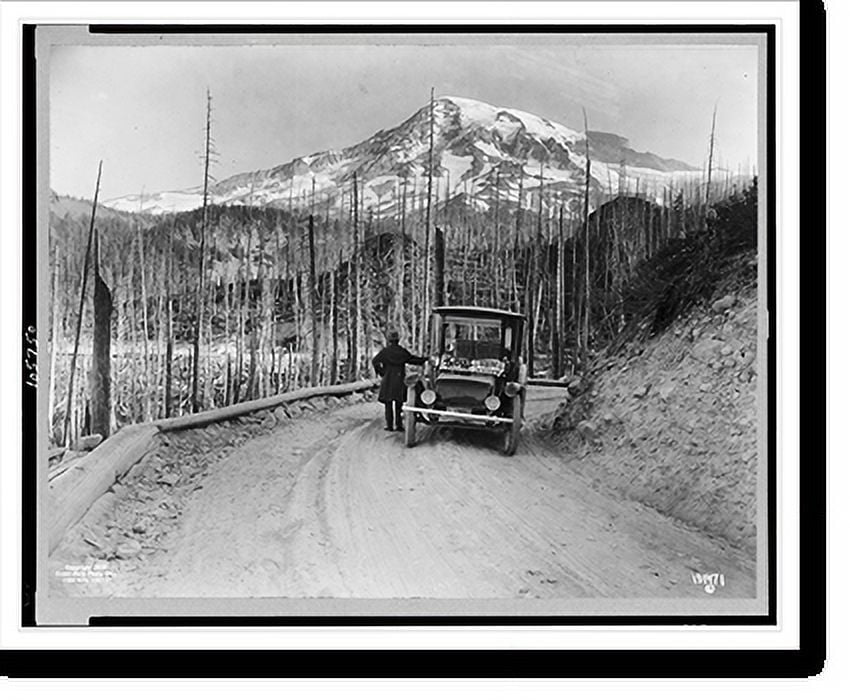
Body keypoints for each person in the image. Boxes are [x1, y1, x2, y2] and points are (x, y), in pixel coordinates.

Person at [372, 329, 426, 431]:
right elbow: (412, 359)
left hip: (388, 379)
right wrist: (424, 359)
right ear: (398, 339)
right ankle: (399, 425)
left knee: (388, 404)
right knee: (398, 403)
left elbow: (375, 361)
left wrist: (382, 372)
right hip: (399, 379)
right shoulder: (402, 351)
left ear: (389, 340)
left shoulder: (385, 352)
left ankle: (389, 425)